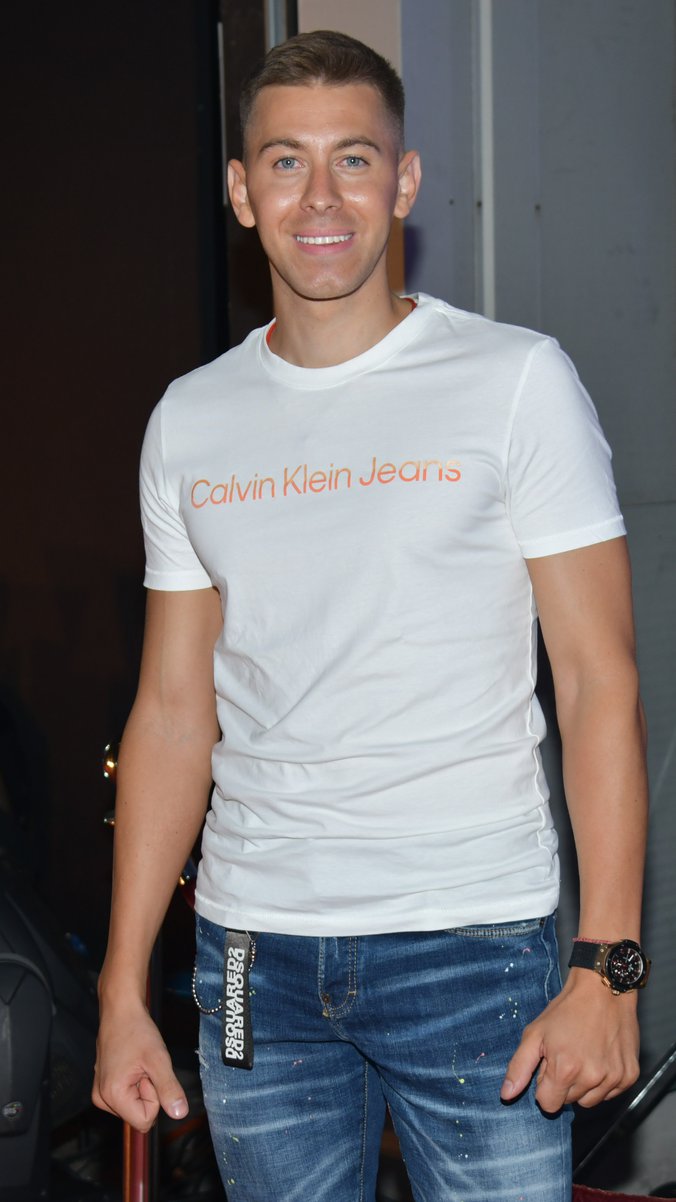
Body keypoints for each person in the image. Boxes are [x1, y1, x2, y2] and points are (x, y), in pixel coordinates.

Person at [93, 29, 650, 1201]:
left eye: (353, 158)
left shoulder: (515, 381)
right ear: (241, 191)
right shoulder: (189, 419)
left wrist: (608, 963)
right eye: (284, 162)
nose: (320, 197)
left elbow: (598, 680)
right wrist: (122, 985)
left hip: (470, 939)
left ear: (403, 182)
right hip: (251, 955)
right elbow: (172, 712)